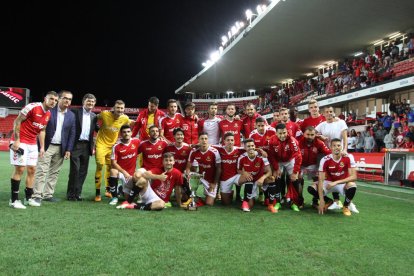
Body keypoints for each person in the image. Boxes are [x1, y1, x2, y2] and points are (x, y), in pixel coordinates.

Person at [8, 91, 58, 209]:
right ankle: (14, 200)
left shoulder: (48, 113)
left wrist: (41, 147)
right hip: (21, 141)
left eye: (56, 100)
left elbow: (42, 130)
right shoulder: (32, 107)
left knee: (32, 170)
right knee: (20, 169)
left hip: (32, 144)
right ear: (45, 98)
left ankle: (28, 198)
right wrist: (17, 140)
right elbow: (17, 121)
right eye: (51, 99)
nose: (53, 102)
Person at [32, 90, 76, 205]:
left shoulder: (71, 115)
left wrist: (68, 149)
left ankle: (48, 194)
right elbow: (41, 128)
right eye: (65, 98)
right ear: (59, 99)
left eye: (70, 99)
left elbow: (72, 133)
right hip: (47, 145)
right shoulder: (49, 110)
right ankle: (37, 195)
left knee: (54, 172)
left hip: (61, 147)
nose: (67, 101)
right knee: (42, 170)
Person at [94, 100, 133, 202]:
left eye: (121, 108)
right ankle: (97, 193)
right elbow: (93, 118)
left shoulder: (124, 118)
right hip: (101, 144)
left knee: (110, 168)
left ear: (124, 109)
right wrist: (95, 127)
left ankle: (108, 190)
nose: (119, 110)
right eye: (117, 108)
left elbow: (132, 124)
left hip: (112, 146)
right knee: (100, 165)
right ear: (113, 108)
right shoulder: (104, 114)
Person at [315, 106, 348, 209]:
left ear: (333, 113)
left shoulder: (341, 122)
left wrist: (345, 149)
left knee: (340, 176)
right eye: (326, 112)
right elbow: (312, 132)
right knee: (330, 177)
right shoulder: (322, 125)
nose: (329, 113)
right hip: (328, 155)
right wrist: (320, 136)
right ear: (323, 114)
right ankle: (335, 201)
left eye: (331, 111)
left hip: (339, 154)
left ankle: (346, 202)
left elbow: (345, 137)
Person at [67, 93, 98, 201]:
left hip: (87, 146)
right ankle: (71, 194)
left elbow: (98, 129)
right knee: (75, 170)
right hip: (76, 145)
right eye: (88, 101)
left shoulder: (94, 116)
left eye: (93, 102)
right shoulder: (75, 112)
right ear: (83, 102)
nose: (91, 103)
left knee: (83, 171)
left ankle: (78, 194)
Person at [316, 138, 359, 216]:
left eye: (338, 145)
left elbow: (354, 177)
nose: (336, 147)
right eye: (334, 146)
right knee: (313, 188)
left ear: (341, 147)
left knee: (352, 186)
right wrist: (321, 200)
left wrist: (335, 182)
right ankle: (328, 201)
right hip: (328, 182)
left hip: (341, 183)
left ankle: (346, 206)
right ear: (330, 147)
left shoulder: (348, 157)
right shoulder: (325, 160)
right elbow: (321, 180)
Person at [267, 123, 302, 212]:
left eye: (284, 133)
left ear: (287, 131)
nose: (282, 135)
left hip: (290, 160)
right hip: (278, 161)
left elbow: (298, 156)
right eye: (280, 133)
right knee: (277, 178)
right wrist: (276, 168)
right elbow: (271, 156)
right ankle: (278, 201)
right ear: (276, 133)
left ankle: (294, 203)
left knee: (295, 179)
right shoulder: (272, 140)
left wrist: (295, 172)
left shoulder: (292, 140)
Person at [298, 126, 331, 208]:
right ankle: (300, 200)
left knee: (317, 180)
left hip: (313, 165)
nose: (309, 136)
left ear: (315, 135)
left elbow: (328, 153)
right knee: (298, 180)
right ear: (304, 134)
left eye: (312, 134)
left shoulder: (319, 143)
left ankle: (315, 201)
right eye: (307, 134)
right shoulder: (299, 142)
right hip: (300, 164)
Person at [107, 124, 140, 205]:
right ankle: (114, 197)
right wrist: (124, 172)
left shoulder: (136, 142)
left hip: (131, 174)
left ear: (131, 133)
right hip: (121, 173)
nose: (126, 134)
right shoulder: (116, 146)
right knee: (112, 171)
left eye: (128, 132)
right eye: (124, 132)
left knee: (129, 198)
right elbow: (113, 163)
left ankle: (121, 189)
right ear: (120, 134)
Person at [237, 139, 272, 212]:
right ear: (245, 148)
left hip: (259, 179)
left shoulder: (261, 156)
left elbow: (269, 171)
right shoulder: (241, 157)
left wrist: (262, 178)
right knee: (251, 205)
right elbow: (238, 170)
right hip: (250, 180)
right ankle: (245, 202)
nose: (251, 148)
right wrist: (244, 173)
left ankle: (268, 199)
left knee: (271, 179)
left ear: (255, 146)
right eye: (248, 146)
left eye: (252, 145)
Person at [186, 132, 221, 206]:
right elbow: (188, 167)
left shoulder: (214, 151)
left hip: (211, 180)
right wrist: (188, 175)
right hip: (201, 176)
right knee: (186, 176)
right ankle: (191, 195)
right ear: (199, 140)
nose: (204, 140)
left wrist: (214, 183)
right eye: (202, 139)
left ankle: (206, 195)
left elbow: (219, 169)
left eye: (205, 139)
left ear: (208, 140)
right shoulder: (194, 151)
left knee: (209, 203)